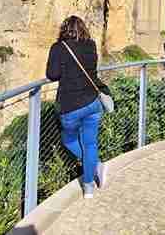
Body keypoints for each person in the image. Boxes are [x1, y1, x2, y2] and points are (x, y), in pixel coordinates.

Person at [46, 16, 108, 199]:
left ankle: (96, 165)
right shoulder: (91, 45)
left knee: (69, 140)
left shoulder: (58, 48)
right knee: (90, 144)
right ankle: (88, 188)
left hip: (70, 105)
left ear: (64, 29)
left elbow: (52, 74)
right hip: (92, 103)